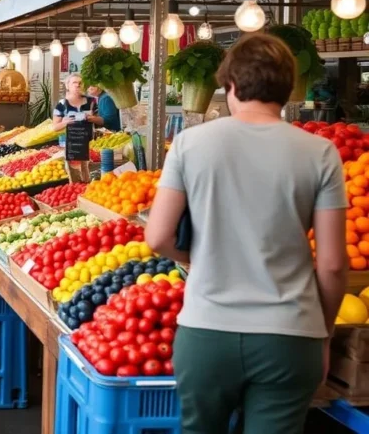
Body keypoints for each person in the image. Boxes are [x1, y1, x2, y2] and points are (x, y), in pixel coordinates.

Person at [145, 33, 347, 434]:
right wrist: (322, 333)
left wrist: (195, 257)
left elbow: (157, 237)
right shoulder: (321, 153)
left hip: (207, 331)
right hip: (290, 335)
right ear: (288, 88)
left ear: (231, 85)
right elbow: (333, 263)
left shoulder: (189, 144)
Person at [53, 74, 103, 182]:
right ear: (68, 86)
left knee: (90, 177)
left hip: (90, 145)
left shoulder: (91, 102)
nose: (77, 85)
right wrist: (65, 122)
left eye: (80, 83)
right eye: (74, 83)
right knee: (75, 178)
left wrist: (91, 118)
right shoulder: (62, 104)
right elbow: (55, 127)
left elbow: (102, 121)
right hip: (72, 146)